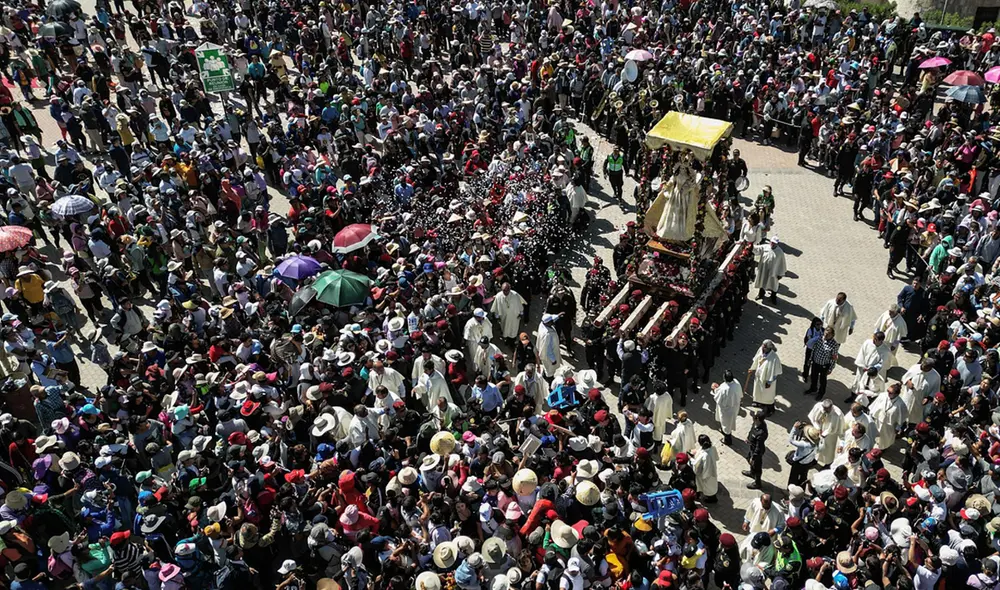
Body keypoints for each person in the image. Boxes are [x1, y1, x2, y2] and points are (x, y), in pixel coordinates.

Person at [748, 340, 782, 416]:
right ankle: (758, 403)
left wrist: (769, 382)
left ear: (769, 348)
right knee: (758, 392)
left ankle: (770, 409)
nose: (762, 347)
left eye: (764, 347)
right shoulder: (761, 350)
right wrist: (752, 368)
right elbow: (756, 360)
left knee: (767, 396)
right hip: (759, 377)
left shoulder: (774, 358)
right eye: (762, 345)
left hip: (767, 380)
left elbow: (775, 372)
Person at [805, 327, 839, 400]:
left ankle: (821, 393)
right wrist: (810, 359)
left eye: (828, 334)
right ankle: (813, 388)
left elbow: (834, 358)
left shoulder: (834, 345)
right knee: (814, 377)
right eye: (825, 333)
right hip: (815, 363)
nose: (826, 335)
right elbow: (814, 349)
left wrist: (831, 368)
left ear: (832, 335)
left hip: (824, 365)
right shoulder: (820, 339)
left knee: (822, 380)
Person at [753, 236, 786, 304]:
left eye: (774, 243)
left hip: (773, 272)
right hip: (764, 269)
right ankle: (761, 294)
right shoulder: (765, 247)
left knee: (773, 285)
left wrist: (780, 274)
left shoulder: (780, 252)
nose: (772, 244)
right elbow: (757, 249)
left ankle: (773, 297)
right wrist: (751, 246)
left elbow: (782, 263)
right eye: (772, 242)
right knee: (762, 281)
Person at [711, 371, 741, 446]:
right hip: (734, 407)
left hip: (726, 411)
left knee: (726, 425)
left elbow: (717, 397)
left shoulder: (724, 388)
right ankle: (725, 432)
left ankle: (728, 440)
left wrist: (715, 389)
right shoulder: (737, 383)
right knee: (728, 424)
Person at [743, 409, 768, 489]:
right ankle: (752, 472)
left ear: (757, 418)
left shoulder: (761, 433)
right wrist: (748, 438)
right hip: (752, 447)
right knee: (748, 458)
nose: (752, 417)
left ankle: (757, 483)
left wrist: (753, 458)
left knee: (757, 467)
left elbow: (758, 447)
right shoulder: (756, 423)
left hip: (757, 452)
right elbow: (751, 431)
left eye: (754, 416)